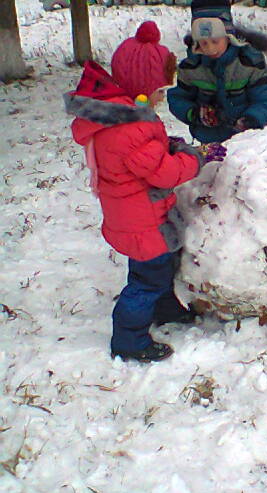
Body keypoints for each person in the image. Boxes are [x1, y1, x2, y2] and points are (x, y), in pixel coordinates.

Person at [64, 21, 224, 363]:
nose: (162, 96)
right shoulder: (130, 127)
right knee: (146, 280)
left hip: (136, 215)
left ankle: (164, 309)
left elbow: (144, 157)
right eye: (159, 90)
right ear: (142, 88)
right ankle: (129, 340)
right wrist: (194, 157)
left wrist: (169, 145)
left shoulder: (122, 117)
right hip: (143, 222)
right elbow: (165, 172)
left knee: (158, 268)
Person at [167, 0, 267, 144]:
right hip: (208, 140)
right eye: (203, 43)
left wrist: (251, 119)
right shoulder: (192, 67)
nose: (210, 49)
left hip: (244, 140)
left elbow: (265, 99)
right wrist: (195, 113)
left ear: (228, 36)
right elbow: (178, 98)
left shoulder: (249, 63)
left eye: (215, 41)